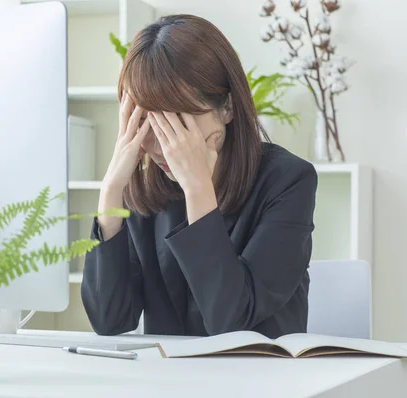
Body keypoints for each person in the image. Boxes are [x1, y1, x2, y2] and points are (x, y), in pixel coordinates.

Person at [80, 14, 318, 339]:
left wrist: (197, 189)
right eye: (148, 121)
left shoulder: (288, 181)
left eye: (176, 120)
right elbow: (110, 320)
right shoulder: (147, 192)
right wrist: (110, 191)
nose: (161, 144)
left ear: (227, 108)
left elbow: (232, 323)